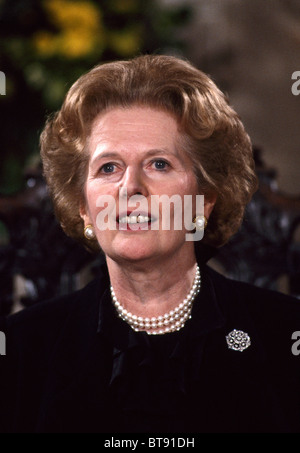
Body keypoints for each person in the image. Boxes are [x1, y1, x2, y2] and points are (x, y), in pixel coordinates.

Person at [0, 54, 299, 433]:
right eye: (108, 167)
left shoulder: (287, 335)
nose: (131, 188)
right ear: (84, 208)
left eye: (159, 164)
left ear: (204, 200)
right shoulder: (20, 349)